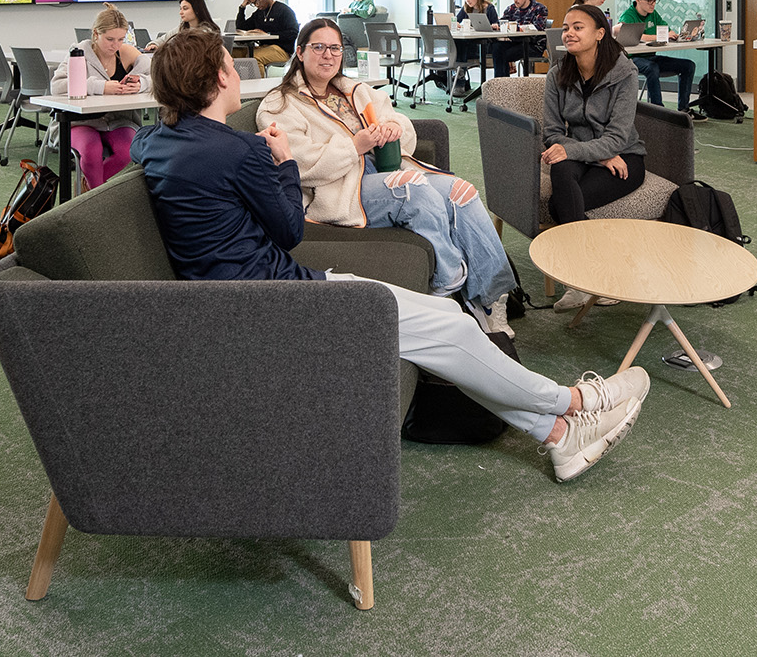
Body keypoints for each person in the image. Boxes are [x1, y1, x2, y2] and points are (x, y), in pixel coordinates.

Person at [132, 28, 649, 482]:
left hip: (257, 295)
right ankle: (575, 404)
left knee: (448, 314)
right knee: (452, 328)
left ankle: (558, 434)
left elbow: (147, 148)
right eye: (228, 63)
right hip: (276, 303)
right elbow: (289, 229)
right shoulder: (236, 149)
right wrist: (283, 164)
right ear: (220, 79)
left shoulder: (156, 142)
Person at [257, 19, 518, 333]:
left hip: (383, 170)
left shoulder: (355, 89)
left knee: (462, 192)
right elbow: (297, 162)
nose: (328, 55)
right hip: (340, 187)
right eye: (319, 47)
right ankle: (450, 282)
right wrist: (355, 145)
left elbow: (396, 120)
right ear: (300, 52)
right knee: (413, 188)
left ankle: (493, 297)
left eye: (335, 48)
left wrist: (396, 128)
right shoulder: (279, 103)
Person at [541, 4, 649, 310]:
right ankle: (590, 278)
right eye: (566, 27)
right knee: (562, 168)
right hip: (595, 156)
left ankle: (579, 280)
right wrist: (598, 156)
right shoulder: (557, 74)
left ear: (600, 34)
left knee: (557, 204)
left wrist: (585, 151)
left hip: (625, 159)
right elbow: (551, 134)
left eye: (578, 27)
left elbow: (616, 139)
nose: (569, 33)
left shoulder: (624, 73)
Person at [57, 5, 146, 188]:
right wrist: (100, 87)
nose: (116, 45)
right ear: (96, 34)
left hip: (117, 121)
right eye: (110, 39)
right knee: (91, 151)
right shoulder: (79, 52)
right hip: (80, 121)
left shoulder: (126, 53)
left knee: (128, 151)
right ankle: (95, 200)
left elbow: (158, 75)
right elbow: (57, 86)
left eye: (121, 39)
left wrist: (141, 84)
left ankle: (89, 194)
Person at [616, 0, 695, 113]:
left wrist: (673, 35)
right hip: (632, 59)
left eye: (655, 0)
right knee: (652, 68)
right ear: (638, 0)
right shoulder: (628, 16)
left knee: (688, 66)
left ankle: (684, 109)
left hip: (650, 56)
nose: (653, 4)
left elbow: (666, 30)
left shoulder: (653, 14)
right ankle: (658, 111)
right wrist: (660, 36)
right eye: (649, 1)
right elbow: (639, 37)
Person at [234, 0, 299, 71]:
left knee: (254, 58)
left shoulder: (283, 10)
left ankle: (258, 84)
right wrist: (242, 7)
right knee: (234, 53)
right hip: (264, 47)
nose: (257, 5)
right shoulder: (259, 13)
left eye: (258, 1)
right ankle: (240, 82)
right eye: (253, 3)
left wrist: (269, 34)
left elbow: (293, 33)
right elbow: (241, 27)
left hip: (282, 50)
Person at [451, 0, 498, 98]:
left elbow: (496, 24)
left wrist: (493, 26)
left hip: (485, 44)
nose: (467, 1)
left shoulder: (489, 8)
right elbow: (457, 20)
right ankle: (458, 77)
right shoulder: (467, 8)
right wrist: (456, 23)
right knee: (458, 42)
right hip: (470, 43)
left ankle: (459, 80)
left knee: (460, 45)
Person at [496, 0, 550, 77]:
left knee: (503, 54)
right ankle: (499, 84)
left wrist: (516, 28)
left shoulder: (539, 9)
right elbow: (502, 22)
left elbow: (538, 27)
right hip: (516, 42)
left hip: (533, 45)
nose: (515, 0)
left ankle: (503, 85)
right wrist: (497, 25)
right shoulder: (511, 9)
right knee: (496, 48)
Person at [144, 0, 215, 51]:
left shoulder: (207, 32)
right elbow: (163, 40)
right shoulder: (182, 28)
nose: (180, 12)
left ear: (197, 10)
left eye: (185, 9)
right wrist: (153, 45)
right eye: (180, 9)